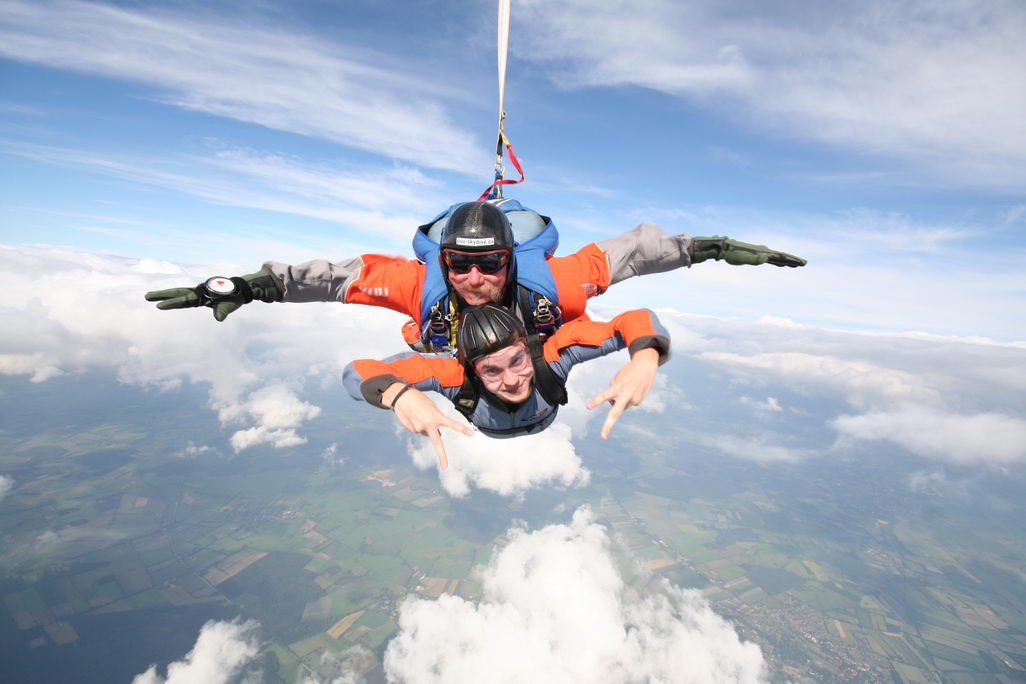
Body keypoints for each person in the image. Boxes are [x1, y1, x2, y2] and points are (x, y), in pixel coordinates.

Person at [144, 200, 805, 353]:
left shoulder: (561, 283)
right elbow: (334, 277)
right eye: (458, 263)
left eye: (490, 262)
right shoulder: (420, 287)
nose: (473, 277)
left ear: (512, 259)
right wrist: (246, 286)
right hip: (455, 355)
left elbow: (632, 252)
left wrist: (713, 246)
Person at [342, 303, 670, 468]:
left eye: (516, 360)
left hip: (507, 420)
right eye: (491, 371)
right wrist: (398, 394)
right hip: (523, 418)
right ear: (471, 369)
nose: (511, 380)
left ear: (528, 348)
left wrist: (645, 356)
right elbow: (355, 372)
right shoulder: (454, 374)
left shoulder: (551, 356)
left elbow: (633, 320)